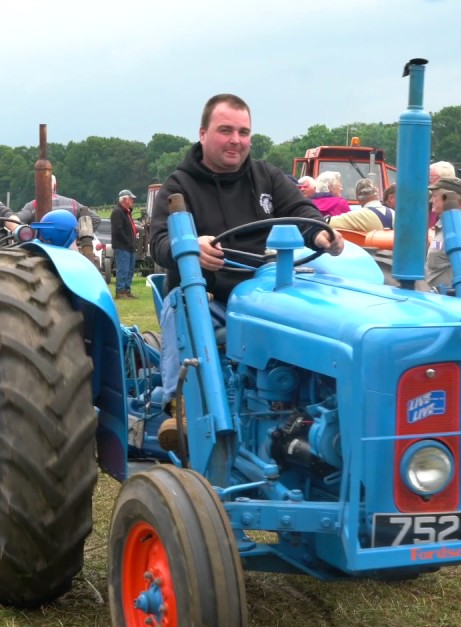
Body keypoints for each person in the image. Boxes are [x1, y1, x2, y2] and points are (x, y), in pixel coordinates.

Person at [149, 93, 344, 446]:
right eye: (226, 130)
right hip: (204, 296)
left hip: (257, 293)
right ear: (203, 133)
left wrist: (320, 233)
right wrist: (191, 247)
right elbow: (159, 241)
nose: (236, 141)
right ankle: (179, 406)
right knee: (183, 308)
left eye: (243, 132)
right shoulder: (179, 185)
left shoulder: (265, 177)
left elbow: (301, 210)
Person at [12, 173, 102, 263]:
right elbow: (95, 219)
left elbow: (16, 221)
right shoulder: (73, 204)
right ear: (55, 186)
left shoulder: (32, 205)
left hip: (41, 253)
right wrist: (77, 235)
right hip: (70, 250)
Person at [329, 178, 394, 232]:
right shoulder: (394, 214)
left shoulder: (359, 216)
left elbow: (328, 222)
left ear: (357, 197)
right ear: (377, 193)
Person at [111, 189, 139, 299]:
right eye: (130, 198)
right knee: (123, 269)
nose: (132, 200)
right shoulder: (118, 212)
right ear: (124, 199)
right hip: (123, 246)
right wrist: (127, 240)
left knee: (130, 269)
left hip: (129, 246)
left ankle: (127, 290)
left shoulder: (126, 212)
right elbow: (118, 230)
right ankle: (120, 291)